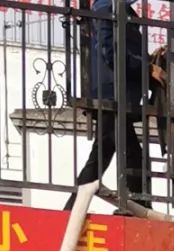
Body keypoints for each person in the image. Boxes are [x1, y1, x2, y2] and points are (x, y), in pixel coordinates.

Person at [66, 0, 149, 211]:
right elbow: (111, 52)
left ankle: (74, 208)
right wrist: (144, 66)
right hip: (112, 95)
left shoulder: (115, 8)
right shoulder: (107, 7)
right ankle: (138, 207)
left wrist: (147, 63)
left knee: (109, 154)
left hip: (116, 95)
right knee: (123, 155)